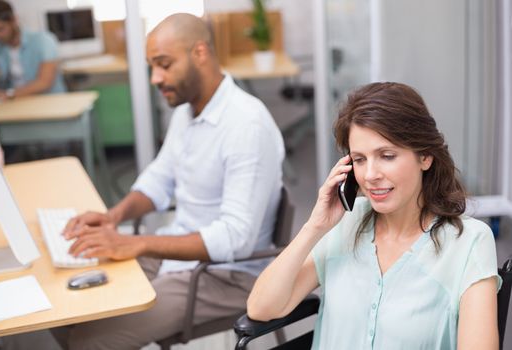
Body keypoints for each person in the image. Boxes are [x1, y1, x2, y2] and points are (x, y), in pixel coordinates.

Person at [51, 13, 284, 350]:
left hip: (226, 274)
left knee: (89, 339)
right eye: (151, 66)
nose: (154, 78)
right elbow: (159, 180)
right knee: (72, 300)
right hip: (180, 252)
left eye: (163, 64)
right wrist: (114, 217)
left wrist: (139, 243)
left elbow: (235, 240)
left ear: (200, 53)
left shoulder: (246, 125)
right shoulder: (187, 112)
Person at [247, 82, 501, 349]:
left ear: (425, 157)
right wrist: (314, 227)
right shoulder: (345, 222)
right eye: (359, 159)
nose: (370, 175)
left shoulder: (468, 242)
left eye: (387, 156)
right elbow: (261, 308)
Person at [0, 0, 65, 100]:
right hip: (15, 104)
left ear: (14, 20)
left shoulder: (43, 40)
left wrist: (9, 94)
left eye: (1, 29)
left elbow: (45, 82)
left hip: (47, 102)